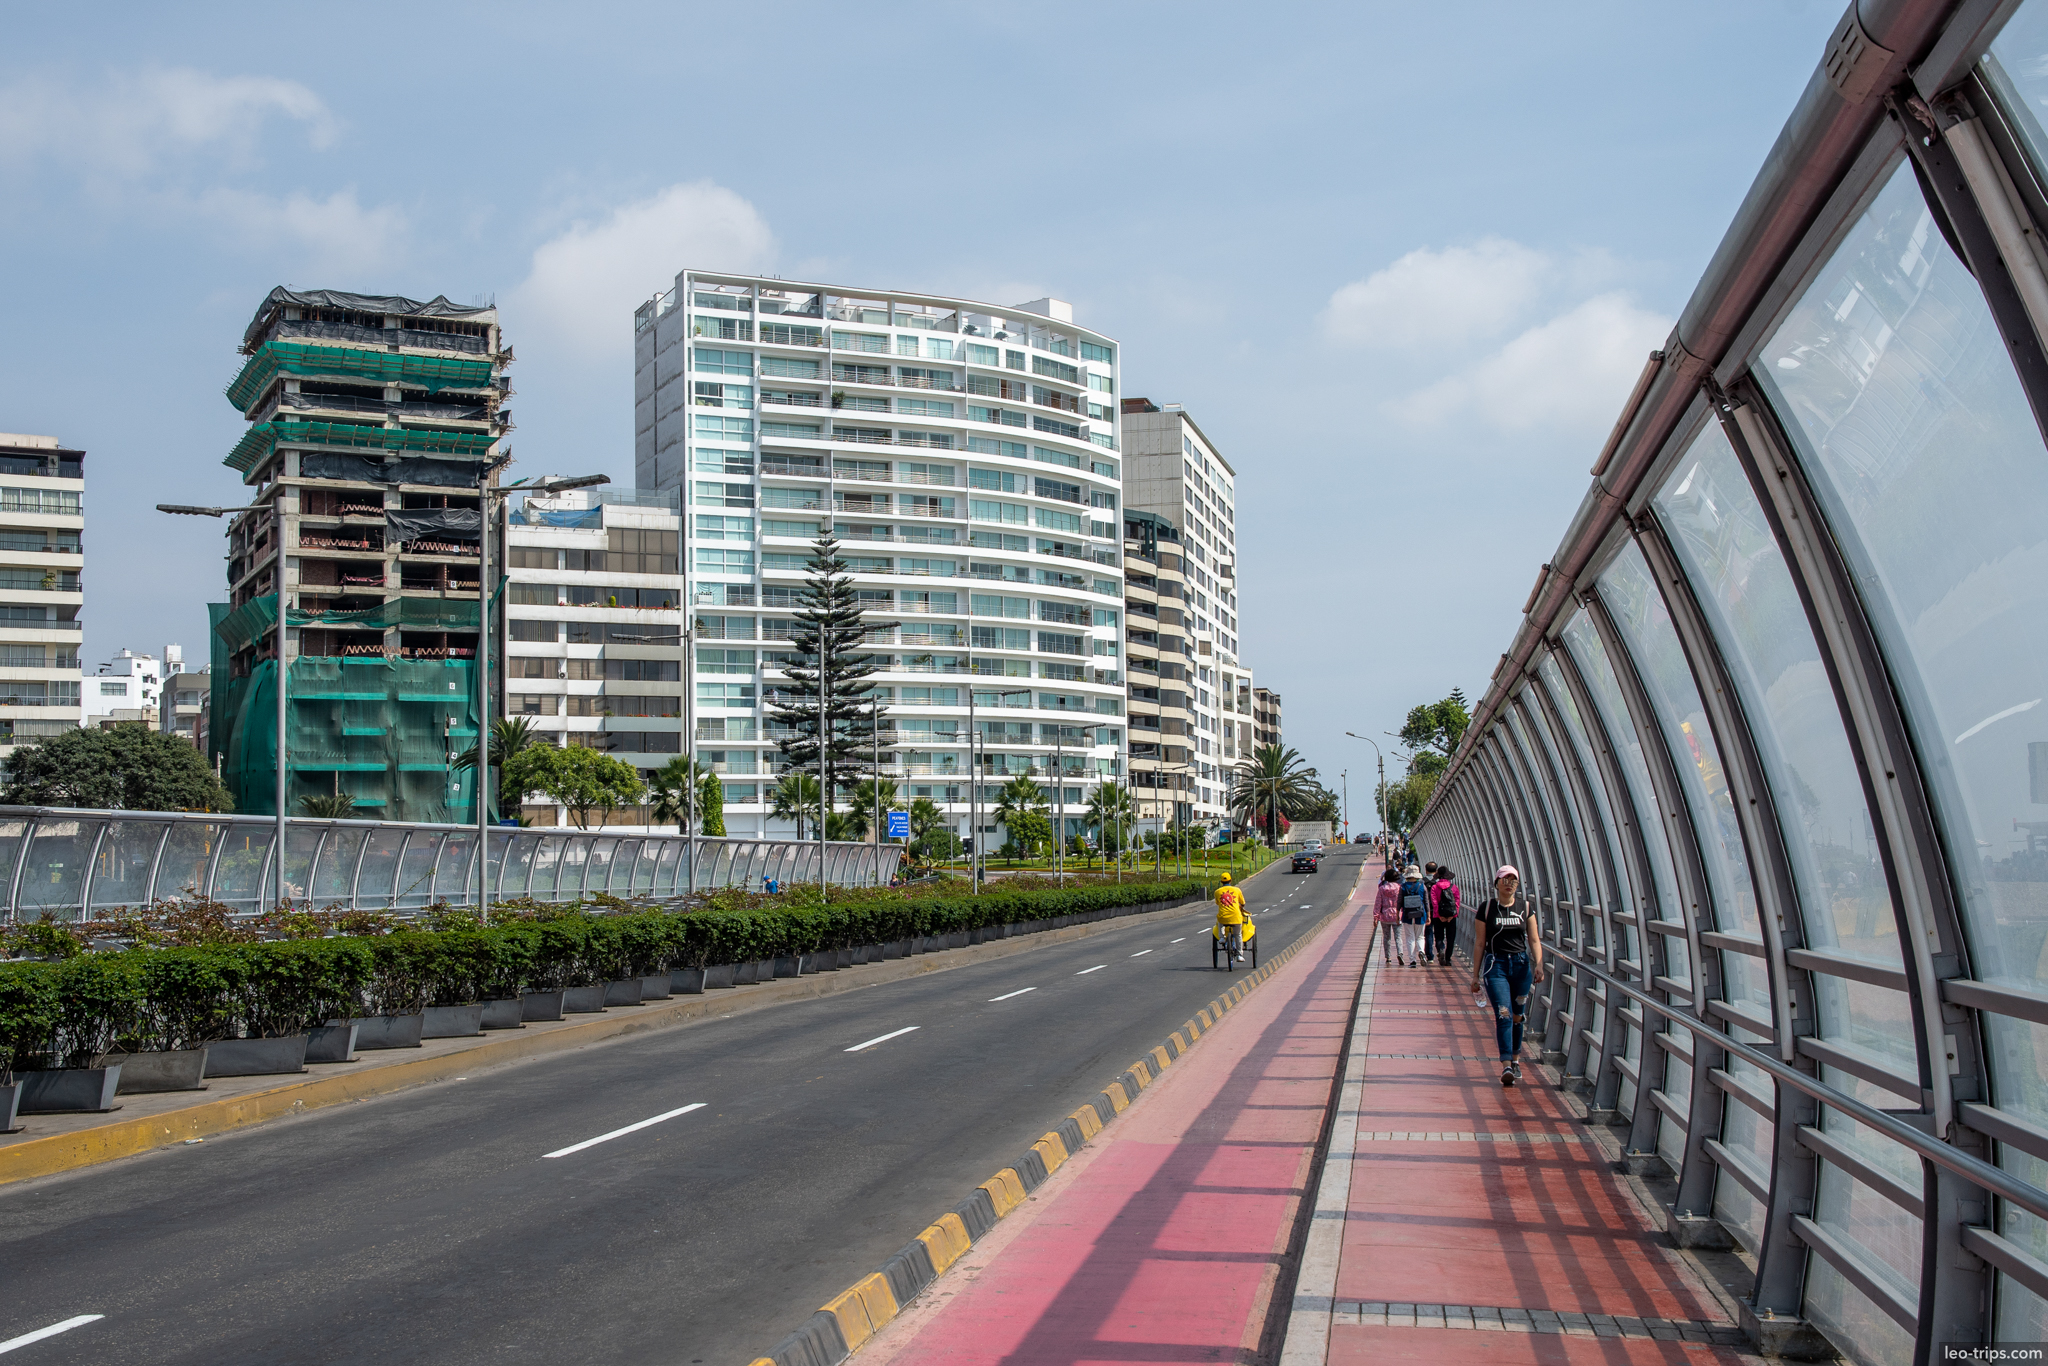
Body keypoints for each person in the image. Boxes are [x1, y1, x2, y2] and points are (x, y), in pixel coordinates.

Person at [1470, 865, 1545, 1087]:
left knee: (1517, 1016)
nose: (1509, 883)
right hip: (1496, 966)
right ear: (1496, 883)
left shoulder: (1526, 907)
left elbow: (1534, 939)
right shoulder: (1487, 909)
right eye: (1505, 879)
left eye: (1513, 879)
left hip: (1521, 967)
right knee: (1503, 1013)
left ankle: (1516, 1058)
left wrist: (1539, 964)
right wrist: (1475, 976)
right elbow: (1480, 942)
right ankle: (1506, 1065)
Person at [1397, 864, 1429, 967]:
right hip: (1421, 914)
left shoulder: (1403, 886)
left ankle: (1412, 961)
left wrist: (1398, 914)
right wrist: (1428, 915)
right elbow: (1426, 902)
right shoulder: (1422, 886)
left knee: (1410, 937)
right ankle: (1421, 951)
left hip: (1407, 915)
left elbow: (1399, 902)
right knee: (1420, 936)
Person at [1428, 866, 1460, 967]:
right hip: (1451, 917)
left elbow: (1434, 903)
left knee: (1439, 937)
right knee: (1451, 938)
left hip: (1438, 917)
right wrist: (1453, 915)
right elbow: (1457, 902)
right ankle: (1448, 959)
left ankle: (1441, 949)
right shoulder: (1453, 887)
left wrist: (1438, 915)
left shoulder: (1434, 887)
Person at [1372, 866, 1403, 966]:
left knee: (1387, 937)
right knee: (1398, 936)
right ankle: (1400, 953)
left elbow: (1378, 903)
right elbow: (1402, 902)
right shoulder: (1399, 888)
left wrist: (1376, 917)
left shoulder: (1382, 889)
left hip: (1385, 916)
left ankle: (1388, 957)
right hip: (1397, 915)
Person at [1215, 871, 1247, 963]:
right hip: (1236, 917)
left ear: (1221, 882)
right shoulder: (1237, 890)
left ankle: (1221, 937)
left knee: (1220, 919)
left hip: (1223, 917)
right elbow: (1243, 903)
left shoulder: (1217, 892)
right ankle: (1239, 955)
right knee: (1238, 935)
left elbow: (1218, 903)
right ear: (1231, 880)